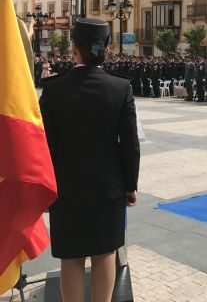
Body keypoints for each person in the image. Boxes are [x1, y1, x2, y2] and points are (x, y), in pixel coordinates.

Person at [40, 18, 140, 302]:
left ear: (74, 48)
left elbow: (44, 144)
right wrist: (130, 185)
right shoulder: (120, 88)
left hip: (65, 186)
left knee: (71, 257)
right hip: (108, 186)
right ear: (106, 50)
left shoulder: (53, 90)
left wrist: (45, 188)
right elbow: (130, 145)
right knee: (104, 252)